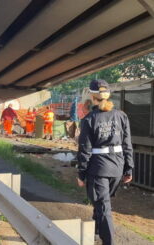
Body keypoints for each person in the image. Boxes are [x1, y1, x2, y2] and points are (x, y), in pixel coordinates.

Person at [77, 79, 133, 245]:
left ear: (93, 96)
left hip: (98, 169)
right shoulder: (121, 116)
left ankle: (109, 242)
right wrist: (129, 169)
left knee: (103, 206)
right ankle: (94, 231)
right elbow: (127, 144)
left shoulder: (89, 119)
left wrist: (81, 174)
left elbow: (84, 150)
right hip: (117, 168)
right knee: (102, 203)